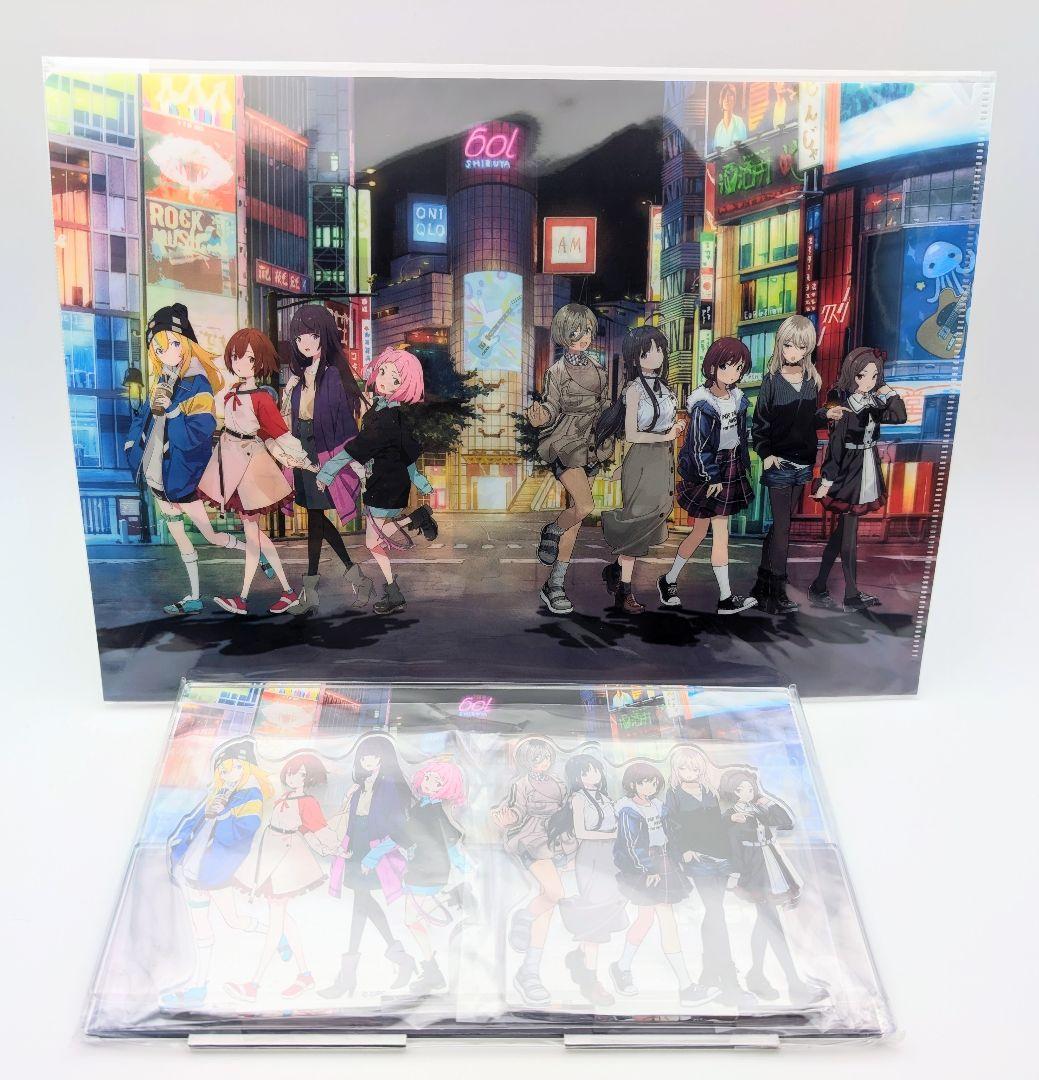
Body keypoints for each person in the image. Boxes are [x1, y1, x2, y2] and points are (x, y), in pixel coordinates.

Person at [124, 303, 247, 615]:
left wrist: (173, 411)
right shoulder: (163, 380)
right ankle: (193, 596)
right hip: (158, 475)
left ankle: (255, 553)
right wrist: (131, 445)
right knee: (180, 538)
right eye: (159, 348)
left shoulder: (198, 383)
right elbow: (143, 419)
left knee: (210, 535)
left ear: (187, 343)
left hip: (182, 477)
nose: (167, 353)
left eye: (174, 344)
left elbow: (195, 437)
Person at [198, 329, 316, 615]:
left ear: (259, 362)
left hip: (250, 464)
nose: (240, 363)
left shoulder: (261, 398)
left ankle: (245, 597)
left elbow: (278, 433)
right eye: (236, 357)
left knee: (253, 535)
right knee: (256, 535)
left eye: (249, 359)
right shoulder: (232, 392)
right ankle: (287, 592)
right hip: (230, 460)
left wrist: (301, 459)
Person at [315, 347, 439, 616]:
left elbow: (355, 448)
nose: (383, 379)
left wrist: (327, 472)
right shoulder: (389, 414)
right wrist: (420, 481)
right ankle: (394, 590)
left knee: (374, 541)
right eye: (382, 371)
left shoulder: (385, 419)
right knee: (376, 540)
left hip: (384, 484)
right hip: (390, 483)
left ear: (404, 386)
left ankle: (415, 521)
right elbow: (407, 455)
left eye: (395, 378)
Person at [163, 738, 272, 1006]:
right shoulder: (218, 793)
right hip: (193, 867)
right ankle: (198, 986)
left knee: (233, 920)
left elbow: (246, 830)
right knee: (200, 927)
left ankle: (275, 934)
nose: (229, 773)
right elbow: (192, 824)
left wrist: (222, 816)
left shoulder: (251, 795)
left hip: (215, 872)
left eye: (236, 767)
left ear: (248, 768)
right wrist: (178, 850)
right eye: (224, 769)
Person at [281, 304, 371, 615]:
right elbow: (292, 421)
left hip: (324, 453)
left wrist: (338, 466)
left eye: (312, 335)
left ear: (325, 336)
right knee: (316, 520)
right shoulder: (298, 379)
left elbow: (345, 425)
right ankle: (356, 578)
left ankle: (313, 592)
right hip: (303, 453)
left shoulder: (333, 376)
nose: (305, 342)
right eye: (299, 337)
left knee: (316, 521)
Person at [227, 753, 339, 1002]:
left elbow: (317, 828)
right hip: (270, 856)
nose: (293, 776)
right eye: (291, 771)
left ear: (310, 778)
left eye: (301, 774)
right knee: (281, 918)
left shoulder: (307, 801)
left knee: (276, 921)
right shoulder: (286, 797)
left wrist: (333, 848)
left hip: (285, 859)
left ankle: (254, 984)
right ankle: (305, 975)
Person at [527, 304, 613, 616]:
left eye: (587, 330)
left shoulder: (600, 370)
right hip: (565, 442)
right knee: (585, 507)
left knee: (575, 518)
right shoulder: (556, 372)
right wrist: (540, 416)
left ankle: (555, 584)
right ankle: (552, 529)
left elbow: (605, 407)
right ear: (564, 334)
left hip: (591, 445)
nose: (584, 337)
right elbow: (551, 406)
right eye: (576, 331)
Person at [661, 338, 757, 614]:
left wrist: (741, 463)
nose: (733, 373)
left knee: (702, 531)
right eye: (727, 366)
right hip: (711, 470)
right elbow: (698, 446)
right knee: (717, 533)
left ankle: (668, 580)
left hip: (730, 466)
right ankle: (725, 598)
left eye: (739, 368)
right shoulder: (703, 404)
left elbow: (738, 436)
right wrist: (712, 477)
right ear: (713, 366)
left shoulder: (737, 398)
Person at [809, 347, 908, 612]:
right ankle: (851, 596)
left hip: (867, 466)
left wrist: (885, 388)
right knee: (849, 536)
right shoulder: (842, 405)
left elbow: (900, 416)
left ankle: (818, 587)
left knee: (842, 533)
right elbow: (835, 445)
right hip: (848, 471)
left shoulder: (874, 403)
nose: (869, 381)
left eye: (875, 376)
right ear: (852, 375)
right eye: (864, 375)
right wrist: (827, 480)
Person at [611, 762, 716, 1005]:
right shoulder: (628, 810)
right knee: (662, 919)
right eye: (644, 783)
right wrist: (648, 868)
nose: (650, 787)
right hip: (644, 866)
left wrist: (682, 852)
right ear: (632, 784)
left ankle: (622, 966)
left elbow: (672, 834)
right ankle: (685, 987)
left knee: (647, 919)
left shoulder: (659, 806)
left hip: (663, 861)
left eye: (653, 783)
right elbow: (631, 844)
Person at [321, 734, 417, 998]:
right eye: (364, 756)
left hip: (375, 847)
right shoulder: (359, 787)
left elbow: (396, 825)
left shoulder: (388, 787)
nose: (368, 760)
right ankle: (398, 957)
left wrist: (374, 856)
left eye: (373, 756)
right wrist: (343, 845)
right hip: (356, 845)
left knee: (361, 903)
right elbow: (350, 820)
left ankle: (347, 976)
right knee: (361, 902)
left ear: (383, 759)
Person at [596, 326, 684, 614]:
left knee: (654, 519)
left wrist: (676, 428)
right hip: (643, 460)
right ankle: (624, 592)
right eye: (647, 352)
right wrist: (667, 435)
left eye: (658, 350)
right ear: (635, 358)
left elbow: (668, 425)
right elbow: (632, 434)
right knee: (635, 524)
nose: (655, 356)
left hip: (663, 460)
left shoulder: (667, 390)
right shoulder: (633, 390)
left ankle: (614, 570)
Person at [719, 768, 824, 1005]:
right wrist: (736, 875)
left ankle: (757, 975)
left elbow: (785, 821)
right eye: (742, 789)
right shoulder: (732, 816)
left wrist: (765, 799)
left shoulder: (758, 809)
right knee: (772, 924)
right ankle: (794, 985)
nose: (747, 792)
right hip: (754, 873)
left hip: (771, 867)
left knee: (765, 922)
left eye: (750, 788)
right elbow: (730, 843)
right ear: (733, 792)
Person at [749, 315, 829, 615]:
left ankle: (762, 584)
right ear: (780, 344)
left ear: (809, 348)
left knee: (780, 527)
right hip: (779, 463)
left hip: (802, 463)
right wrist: (766, 454)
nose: (793, 352)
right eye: (788, 345)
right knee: (783, 528)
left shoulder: (811, 381)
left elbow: (808, 420)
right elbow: (760, 423)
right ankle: (777, 592)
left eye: (801, 346)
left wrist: (826, 416)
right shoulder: (771, 381)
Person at [491, 738, 577, 1005]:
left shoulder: (559, 783)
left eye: (546, 757)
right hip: (531, 838)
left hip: (557, 838)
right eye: (537, 759)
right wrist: (508, 818)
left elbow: (565, 811)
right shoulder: (521, 784)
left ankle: (529, 972)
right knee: (555, 893)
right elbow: (517, 810)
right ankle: (524, 916)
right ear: (527, 761)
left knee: (547, 908)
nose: (544, 763)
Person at [665, 746, 751, 1006]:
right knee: (716, 913)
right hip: (698, 859)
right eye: (683, 768)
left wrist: (731, 819)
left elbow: (716, 826)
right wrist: (682, 852)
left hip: (720, 857)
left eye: (693, 768)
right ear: (676, 769)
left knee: (715, 913)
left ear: (700, 769)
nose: (688, 772)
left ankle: (709, 976)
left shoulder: (708, 791)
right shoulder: (674, 795)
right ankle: (729, 982)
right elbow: (672, 826)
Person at [550, 754, 628, 1006]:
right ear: (577, 777)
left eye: (595, 771)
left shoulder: (606, 798)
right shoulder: (578, 799)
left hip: (611, 857)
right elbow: (581, 832)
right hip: (591, 858)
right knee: (595, 917)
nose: (592, 776)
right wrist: (613, 835)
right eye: (585, 773)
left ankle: (580, 959)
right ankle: (591, 982)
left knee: (607, 911)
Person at [401, 759, 471, 995]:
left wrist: (463, 865)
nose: (429, 783)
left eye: (437, 782)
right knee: (413, 919)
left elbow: (451, 839)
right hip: (420, 868)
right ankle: (433, 971)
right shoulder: (420, 807)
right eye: (429, 778)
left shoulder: (436, 811)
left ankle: (434, 971)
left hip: (430, 870)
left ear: (448, 788)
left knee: (412, 918)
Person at [712, 83, 748, 152]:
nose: (726, 99)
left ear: (734, 100)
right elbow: (715, 152)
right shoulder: (719, 127)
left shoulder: (739, 122)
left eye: (730, 95)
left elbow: (743, 148)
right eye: (724, 96)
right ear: (721, 101)